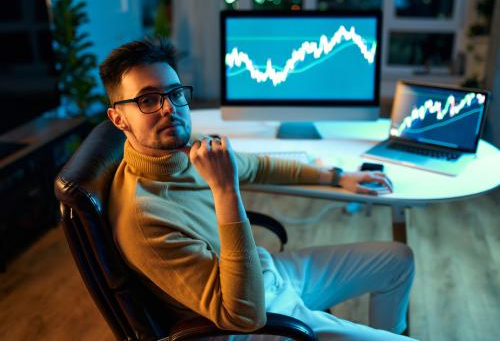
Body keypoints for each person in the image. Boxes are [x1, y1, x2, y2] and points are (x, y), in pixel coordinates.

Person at [99, 38, 416, 341]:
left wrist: (337, 176)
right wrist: (225, 190)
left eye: (174, 93)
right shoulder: (144, 218)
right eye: (148, 100)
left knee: (398, 259)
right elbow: (243, 316)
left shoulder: (185, 147)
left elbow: (258, 165)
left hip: (267, 273)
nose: (169, 109)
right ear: (118, 118)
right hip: (251, 323)